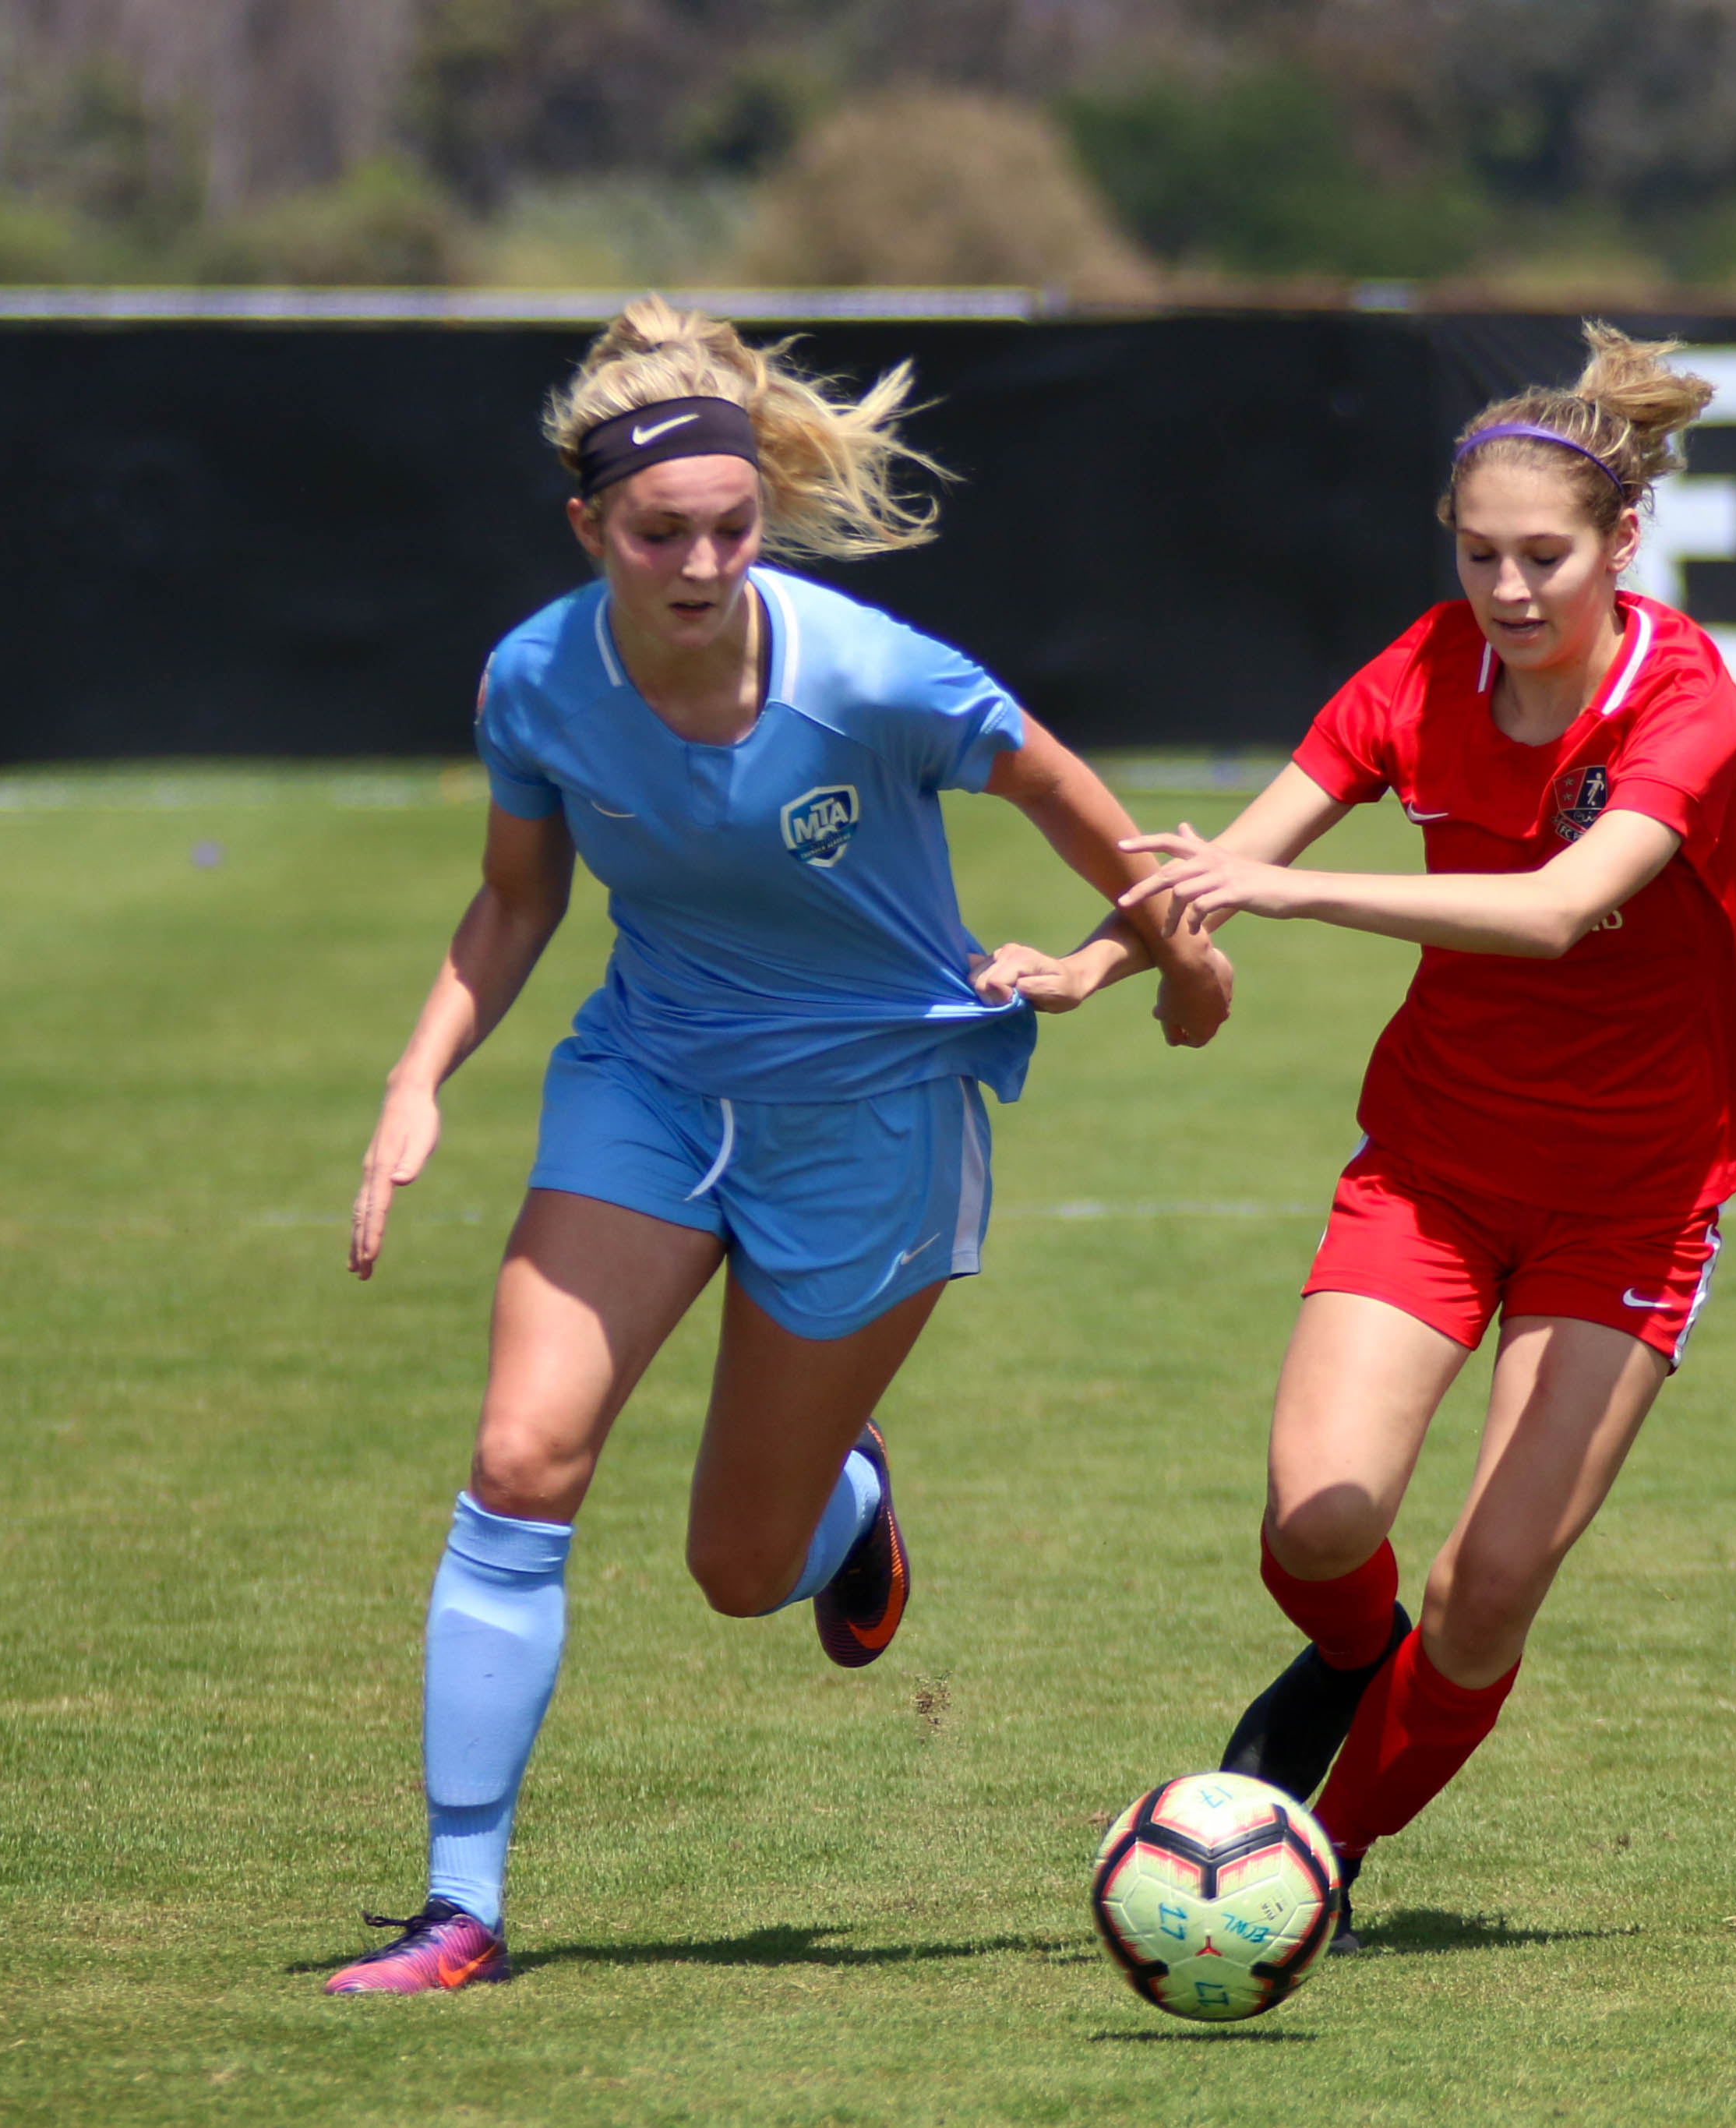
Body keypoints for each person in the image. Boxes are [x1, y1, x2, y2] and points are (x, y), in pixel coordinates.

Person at [323, 298, 1233, 1994]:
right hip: (649, 1084)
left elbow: (1078, 807)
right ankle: (461, 1909)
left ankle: (849, 1501)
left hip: (875, 1114)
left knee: (742, 1570)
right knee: (522, 1460)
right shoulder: (532, 679)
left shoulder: (874, 674)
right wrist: (417, 1073)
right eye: (660, 532)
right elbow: (519, 901)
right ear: (589, 526)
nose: (701, 563)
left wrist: (1163, 956)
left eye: (732, 526)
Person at [1105, 323, 1736, 1940]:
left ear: (1622, 544)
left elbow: (1554, 911)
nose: (1511, 591)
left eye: (1546, 557)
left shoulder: (1685, 700)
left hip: (1636, 1201)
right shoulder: (1417, 669)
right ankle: (1345, 1659)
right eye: (1480, 557)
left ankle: (1311, 1861)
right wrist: (1094, 956)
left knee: (1483, 1595)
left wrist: (1290, 892)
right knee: (1319, 1524)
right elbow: (1235, 847)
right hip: (1436, 1168)